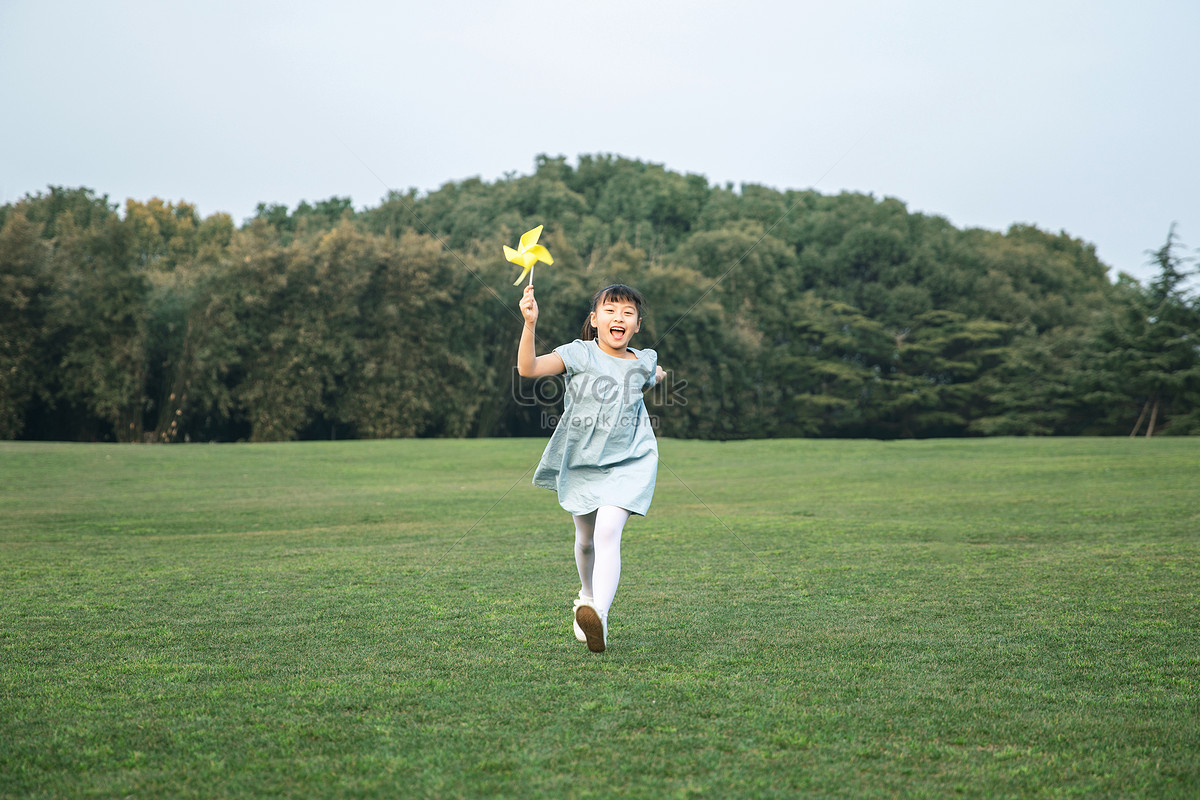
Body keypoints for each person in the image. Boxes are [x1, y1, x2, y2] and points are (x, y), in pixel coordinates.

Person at [517, 283, 667, 653]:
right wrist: (530, 323)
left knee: (607, 534)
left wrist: (658, 374)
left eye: (628, 313)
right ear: (595, 319)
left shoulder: (643, 359)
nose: (619, 317)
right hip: (583, 460)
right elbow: (528, 368)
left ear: (637, 325)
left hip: (631, 460)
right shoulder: (578, 354)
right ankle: (585, 595)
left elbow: (652, 373)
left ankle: (598, 613)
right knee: (585, 540)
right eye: (611, 310)